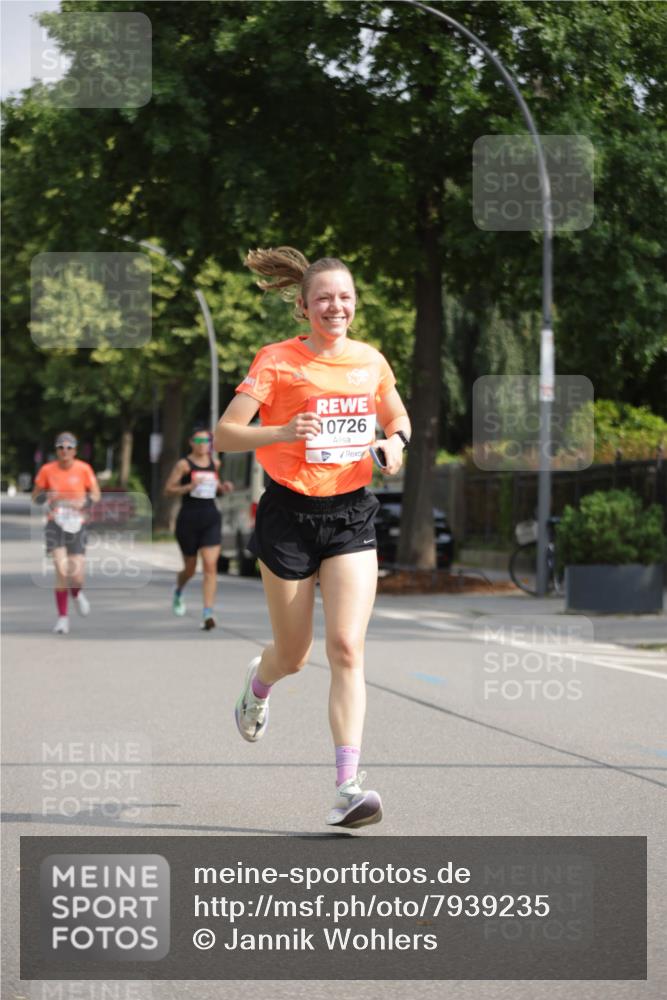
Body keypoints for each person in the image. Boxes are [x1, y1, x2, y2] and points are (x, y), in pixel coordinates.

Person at [214, 247, 411, 828]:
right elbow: (226, 434)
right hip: (289, 516)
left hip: (351, 513)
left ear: (354, 304)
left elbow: (398, 419)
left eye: (344, 296)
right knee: (294, 655)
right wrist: (281, 429)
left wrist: (395, 445)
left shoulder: (370, 362)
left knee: (347, 648)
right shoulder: (276, 361)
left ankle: (348, 787)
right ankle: (259, 683)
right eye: (324, 297)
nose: (336, 306)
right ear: (303, 306)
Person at [164, 424, 233, 631]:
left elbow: (215, 488)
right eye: (200, 441)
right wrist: (188, 487)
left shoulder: (215, 463)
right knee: (191, 568)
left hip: (211, 517)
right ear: (192, 442)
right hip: (188, 519)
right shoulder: (183, 465)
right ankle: (178, 589)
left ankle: (207, 613)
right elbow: (168, 490)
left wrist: (223, 488)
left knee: (211, 566)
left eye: (208, 441)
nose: (204, 445)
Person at [32, 431, 101, 635]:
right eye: (61, 447)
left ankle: (77, 594)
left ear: (75, 450)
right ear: (56, 450)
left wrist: (85, 502)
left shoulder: (83, 469)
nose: (65, 451)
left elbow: (96, 494)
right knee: (61, 571)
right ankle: (63, 618)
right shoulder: (47, 470)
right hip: (55, 523)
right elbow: (35, 497)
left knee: (77, 576)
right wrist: (45, 496)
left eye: (69, 447)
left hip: (77, 523)